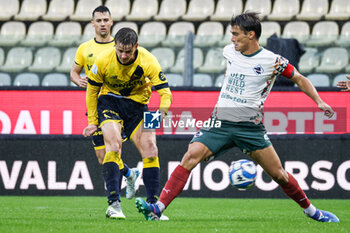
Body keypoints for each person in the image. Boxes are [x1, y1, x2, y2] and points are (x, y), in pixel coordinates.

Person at [135, 12, 340, 223]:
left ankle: (312, 212)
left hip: (250, 128)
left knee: (279, 175)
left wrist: (319, 101)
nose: (232, 39)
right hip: (220, 122)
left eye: (236, 34)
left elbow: (299, 78)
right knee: (190, 156)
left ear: (251, 35)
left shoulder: (273, 61)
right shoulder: (229, 52)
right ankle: (157, 209)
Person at [83, 27, 172, 220]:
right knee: (114, 145)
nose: (123, 55)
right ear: (115, 46)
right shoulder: (103, 60)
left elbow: (166, 93)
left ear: (136, 47)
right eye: (120, 51)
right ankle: (114, 205)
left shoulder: (148, 60)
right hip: (109, 101)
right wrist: (92, 121)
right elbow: (91, 92)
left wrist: (162, 111)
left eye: (128, 52)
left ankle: (152, 208)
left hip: (138, 106)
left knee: (151, 149)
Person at [70, 6, 139, 209]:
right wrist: (78, 81)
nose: (102, 24)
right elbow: (74, 72)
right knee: (103, 158)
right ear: (92, 23)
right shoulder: (84, 49)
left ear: (111, 22)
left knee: (113, 151)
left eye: (105, 20)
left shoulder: (120, 47)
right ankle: (129, 173)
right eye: (98, 20)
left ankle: (114, 202)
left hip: (116, 106)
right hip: (95, 105)